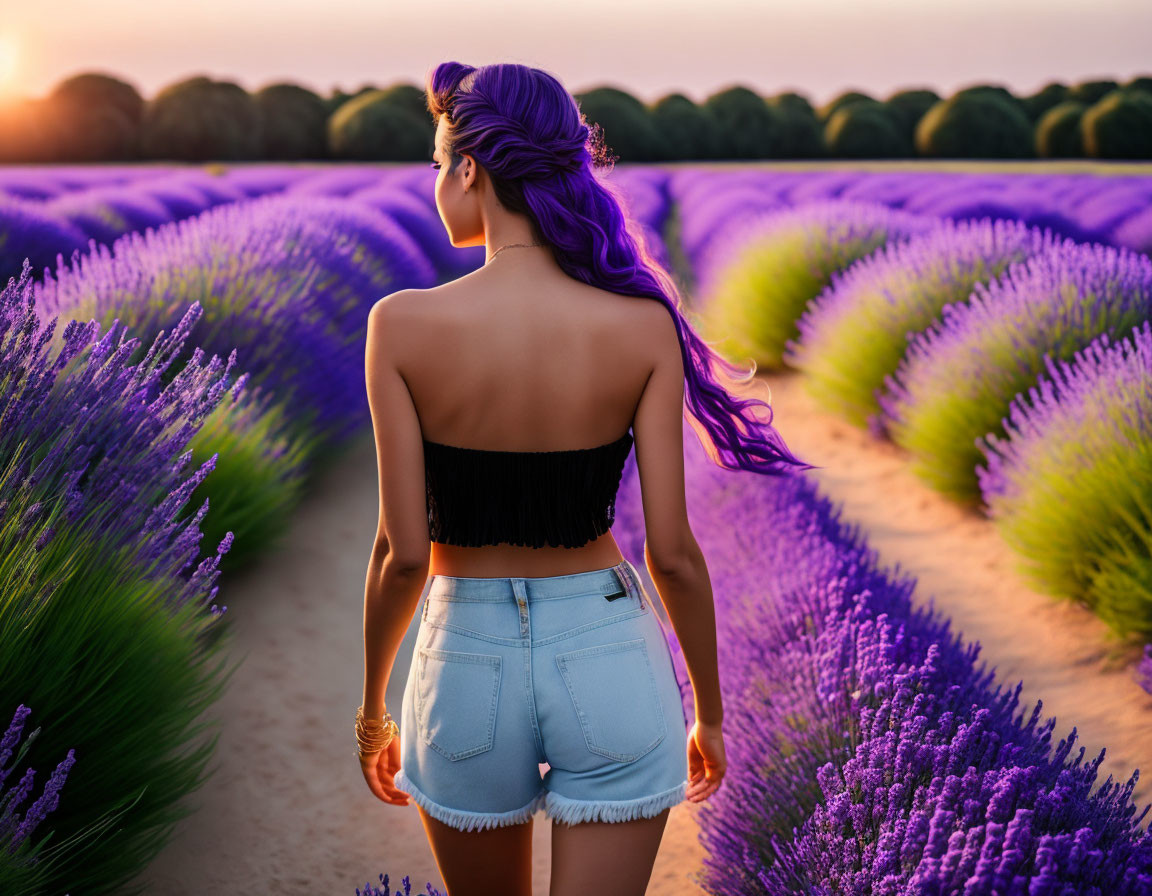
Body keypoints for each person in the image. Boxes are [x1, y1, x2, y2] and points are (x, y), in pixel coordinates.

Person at [357, 61, 816, 896]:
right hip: (606, 645)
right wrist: (708, 714)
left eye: (435, 162)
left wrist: (371, 711)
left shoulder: (401, 326)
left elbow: (402, 554)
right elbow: (672, 554)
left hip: (465, 659)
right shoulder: (641, 326)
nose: (435, 182)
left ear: (470, 169)